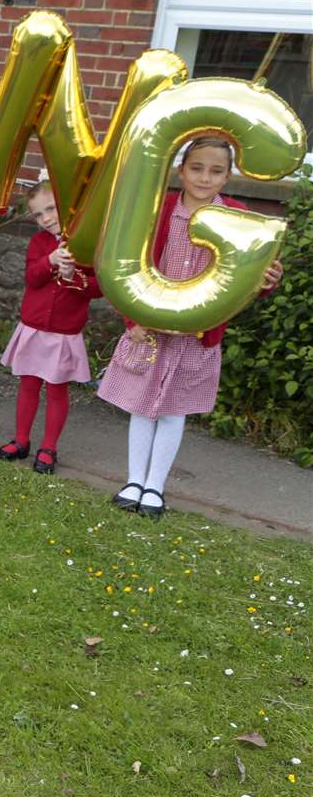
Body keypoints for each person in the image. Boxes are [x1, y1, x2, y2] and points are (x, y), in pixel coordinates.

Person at [98, 136, 282, 519]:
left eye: (216, 171)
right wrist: (133, 320)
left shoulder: (237, 215)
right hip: (150, 329)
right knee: (141, 406)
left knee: (172, 410)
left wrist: (266, 279)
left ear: (228, 176)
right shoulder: (160, 209)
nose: (204, 177)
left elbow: (247, 279)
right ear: (181, 170)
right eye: (196, 168)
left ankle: (155, 487)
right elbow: (128, 264)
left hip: (196, 337)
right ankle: (134, 480)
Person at [0, 181, 99, 474]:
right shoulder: (39, 243)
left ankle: (49, 447)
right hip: (34, 327)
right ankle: (21, 440)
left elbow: (97, 288)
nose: (47, 218)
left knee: (56, 390)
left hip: (63, 332)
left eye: (51, 209)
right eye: (39, 214)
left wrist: (73, 275)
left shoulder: (85, 244)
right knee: (28, 384)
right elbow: (32, 278)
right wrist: (50, 261)